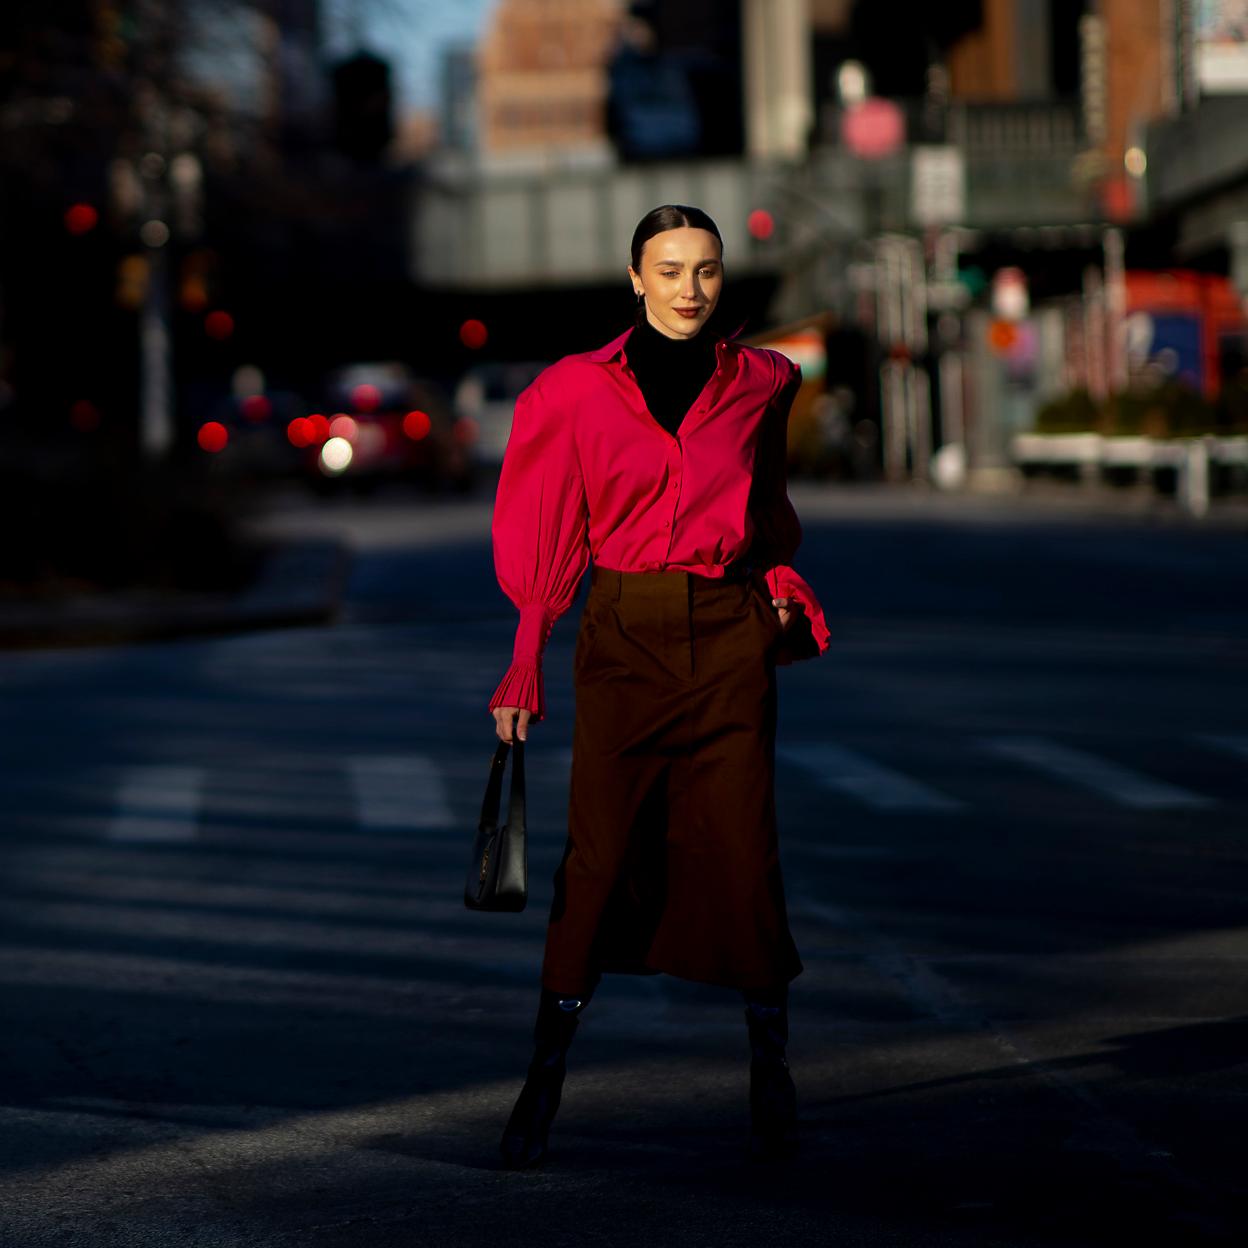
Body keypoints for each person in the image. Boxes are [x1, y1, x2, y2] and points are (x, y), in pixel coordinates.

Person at [488, 204, 831, 1167]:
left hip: (728, 638)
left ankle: (771, 1071)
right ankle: (542, 1080)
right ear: (635, 277)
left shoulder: (765, 381)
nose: (690, 289)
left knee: (746, 852)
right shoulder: (572, 390)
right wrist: (526, 655)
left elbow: (767, 509)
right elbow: (548, 521)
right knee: (597, 860)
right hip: (622, 637)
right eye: (670, 270)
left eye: (707, 270)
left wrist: (777, 580)